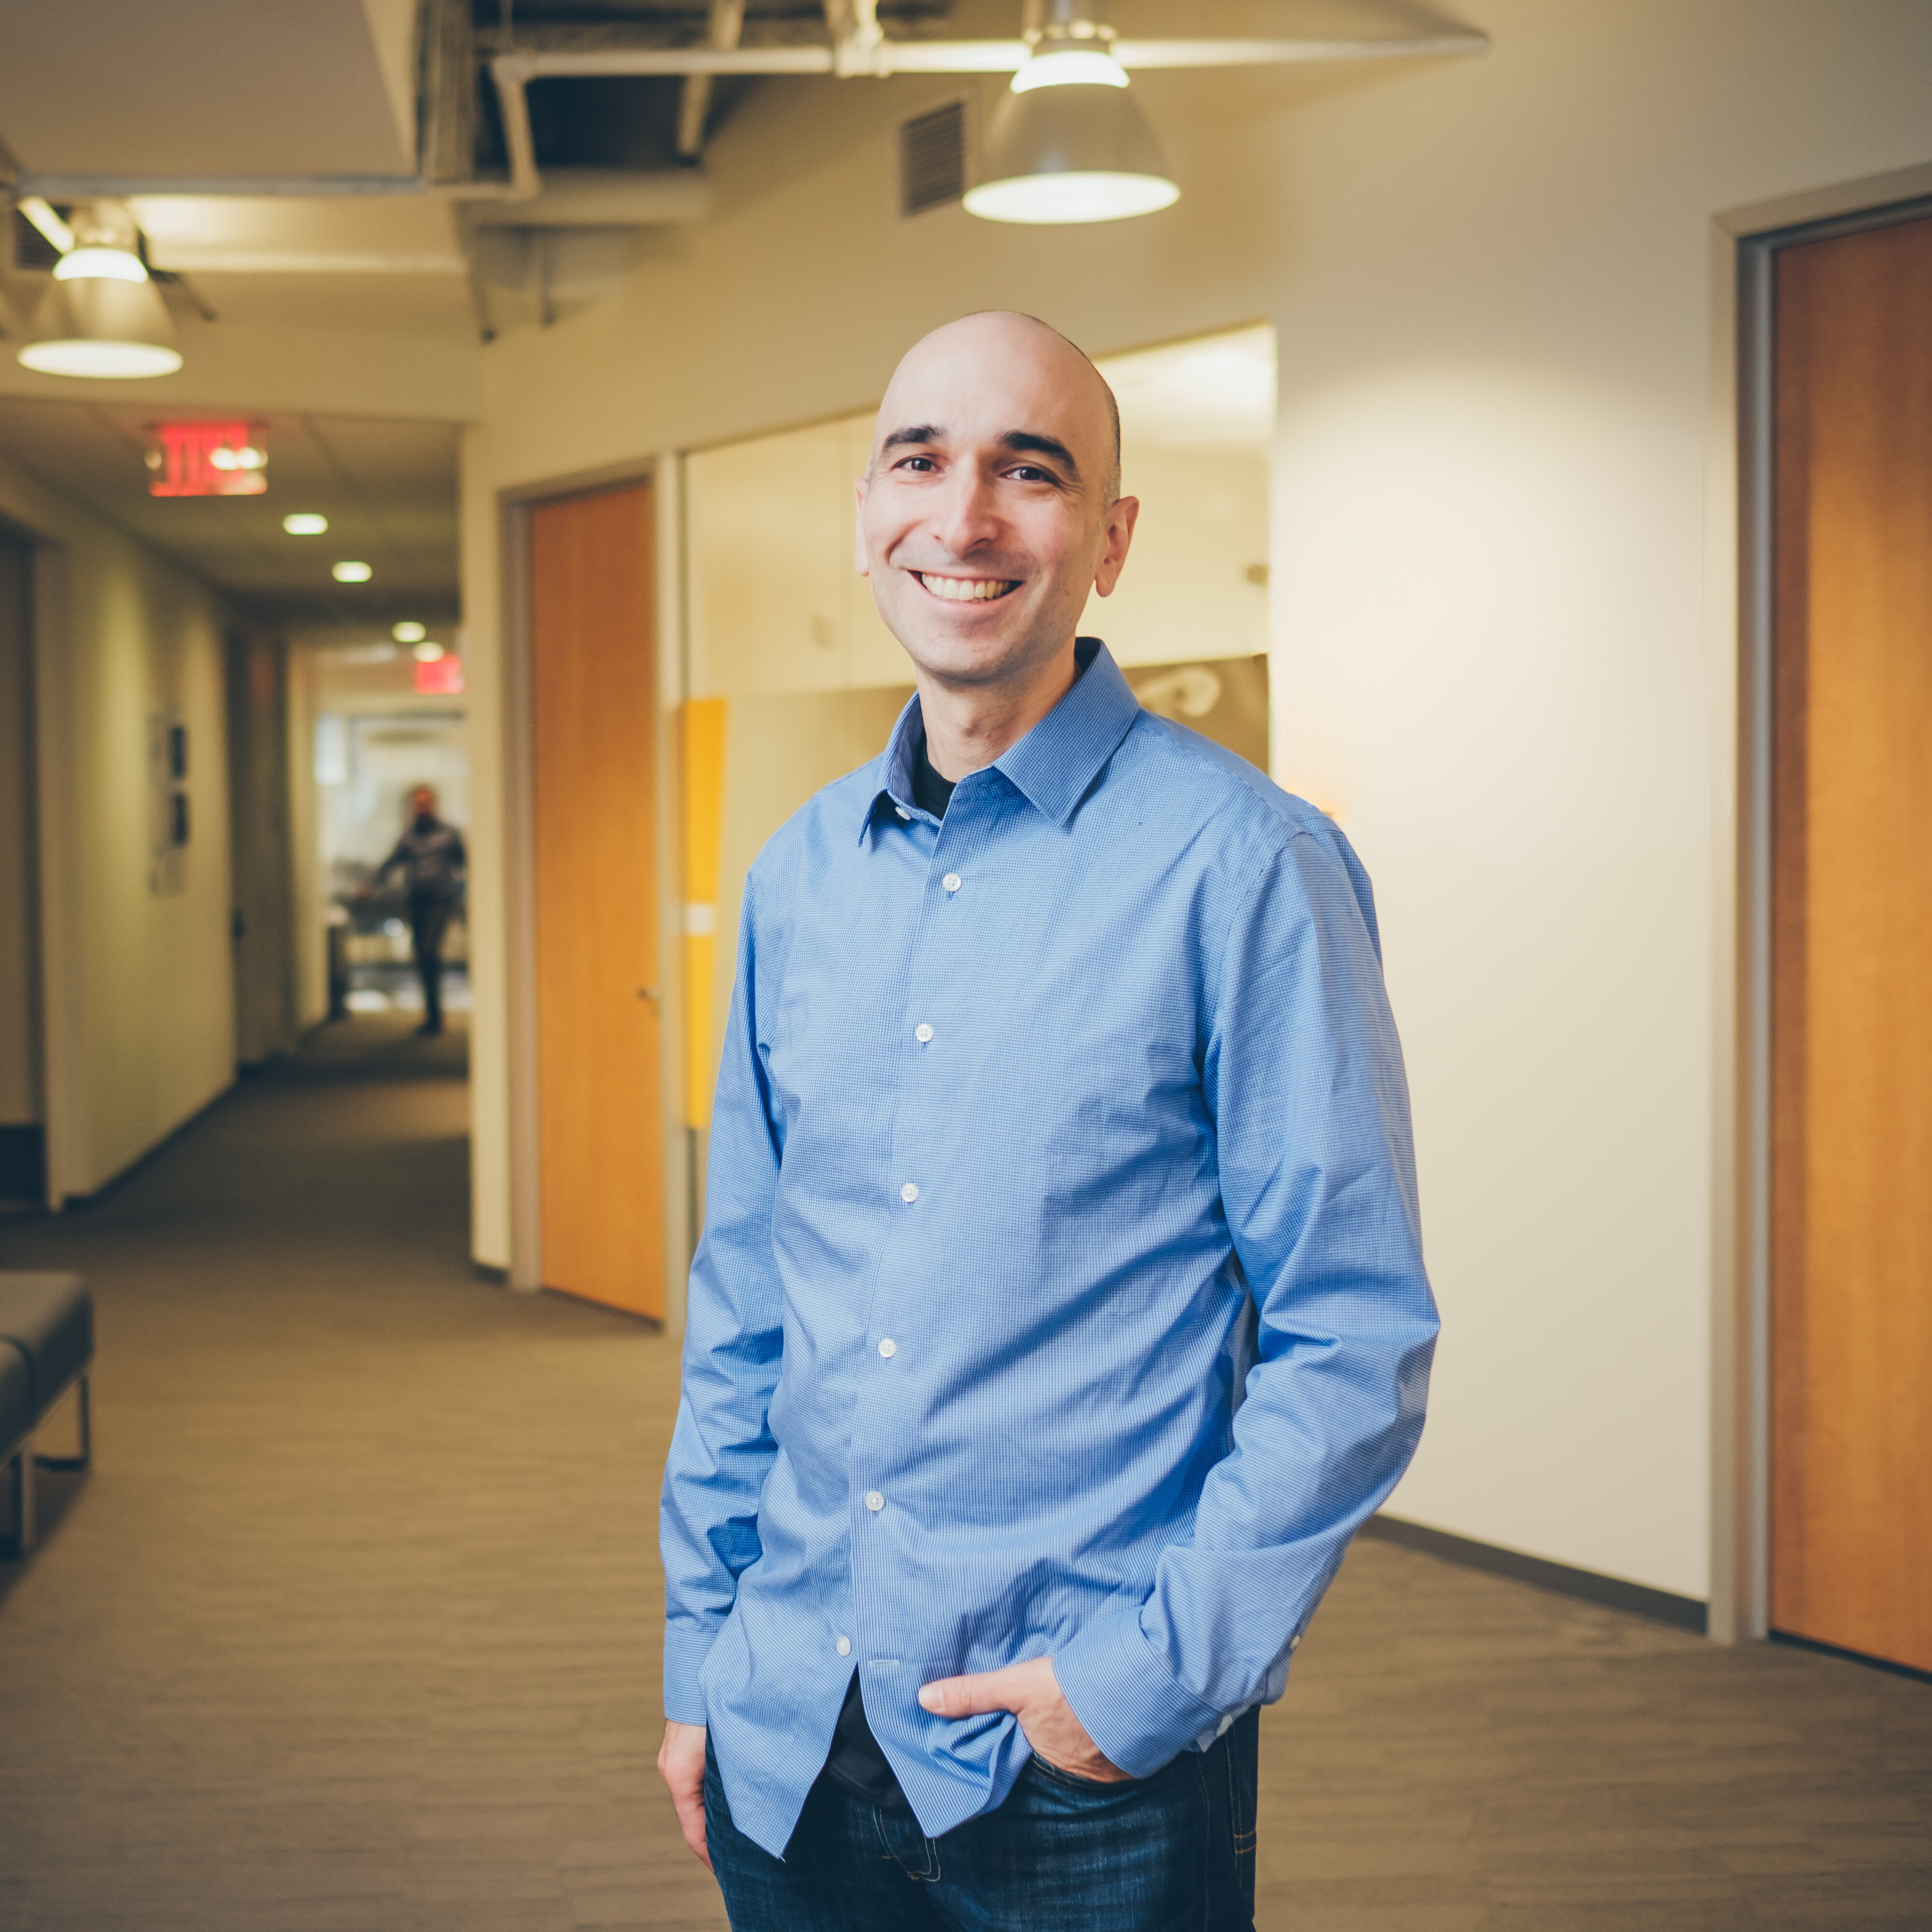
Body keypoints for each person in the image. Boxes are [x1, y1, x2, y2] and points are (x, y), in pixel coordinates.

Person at [658, 311, 1439, 1931]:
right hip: (788, 1728)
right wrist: (708, 1651)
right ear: (866, 510)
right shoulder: (798, 876)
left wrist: (1144, 1681)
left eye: (1032, 469)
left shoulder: (1248, 866)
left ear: (1110, 537)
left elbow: (1351, 1336)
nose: (964, 518)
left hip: (1079, 1775)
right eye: (920, 460)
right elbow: (747, 1301)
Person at [363, 784, 465, 1036]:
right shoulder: (409, 837)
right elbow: (391, 863)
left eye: (426, 803)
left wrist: (461, 896)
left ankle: (435, 1015)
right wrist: (370, 885)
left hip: (440, 903)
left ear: (434, 805)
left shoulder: (449, 835)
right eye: (418, 804)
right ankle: (432, 1015)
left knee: (430, 953)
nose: (422, 808)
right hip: (415, 904)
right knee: (421, 956)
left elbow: (463, 864)